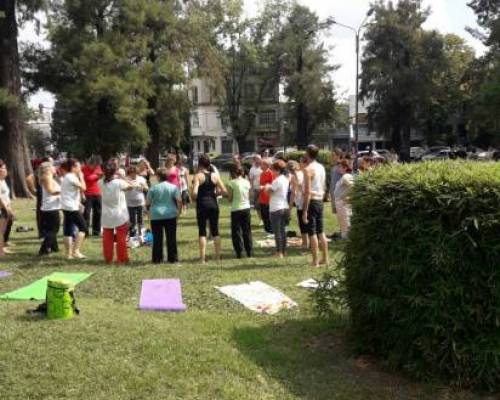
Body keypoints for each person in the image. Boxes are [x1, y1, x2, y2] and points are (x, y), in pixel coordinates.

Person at [192, 154, 227, 264]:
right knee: (215, 230)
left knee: (202, 231)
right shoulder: (215, 176)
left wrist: (193, 196)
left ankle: (202, 259)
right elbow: (224, 191)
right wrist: (216, 194)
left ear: (200, 164)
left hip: (202, 205)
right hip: (213, 204)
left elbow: (194, 192)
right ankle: (217, 256)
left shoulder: (198, 176)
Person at [99, 162, 136, 264]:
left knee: (107, 239)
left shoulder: (100, 182)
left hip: (106, 215)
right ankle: (122, 259)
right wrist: (123, 177)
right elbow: (132, 185)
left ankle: (108, 258)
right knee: (121, 239)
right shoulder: (119, 182)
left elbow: (104, 179)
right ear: (115, 171)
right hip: (119, 214)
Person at [147, 167, 182, 264]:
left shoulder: (153, 188)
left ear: (158, 177)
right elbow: (179, 200)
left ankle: (157, 259)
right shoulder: (173, 187)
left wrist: (149, 212)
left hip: (156, 215)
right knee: (171, 238)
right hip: (170, 215)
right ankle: (173, 259)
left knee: (157, 238)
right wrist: (178, 212)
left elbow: (147, 202)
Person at [302, 145, 329, 267]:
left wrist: (305, 210)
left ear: (307, 154)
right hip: (319, 201)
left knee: (312, 233)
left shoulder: (308, 169)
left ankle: (315, 261)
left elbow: (307, 192)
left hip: (312, 201)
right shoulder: (321, 167)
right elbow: (323, 186)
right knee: (321, 231)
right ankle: (325, 259)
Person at [60, 158, 87, 260]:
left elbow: (71, 192)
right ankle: (76, 251)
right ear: (73, 168)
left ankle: (69, 254)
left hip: (67, 206)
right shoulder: (71, 177)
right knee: (83, 227)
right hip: (71, 207)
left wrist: (79, 203)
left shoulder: (67, 177)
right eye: (78, 166)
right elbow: (83, 187)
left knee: (68, 230)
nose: (80, 168)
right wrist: (81, 177)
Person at [264, 160, 290, 258]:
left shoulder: (277, 180)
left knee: (277, 231)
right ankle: (284, 251)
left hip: (276, 208)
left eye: (273, 170)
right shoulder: (285, 179)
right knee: (283, 231)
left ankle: (279, 252)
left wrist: (266, 187)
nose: (272, 172)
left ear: (278, 170)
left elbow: (269, 192)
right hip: (284, 206)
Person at [226, 164, 252, 259]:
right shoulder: (247, 182)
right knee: (247, 230)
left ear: (232, 173)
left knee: (236, 232)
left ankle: (239, 252)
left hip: (236, 209)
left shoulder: (231, 183)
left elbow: (230, 198)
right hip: (246, 208)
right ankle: (249, 251)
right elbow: (249, 196)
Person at [38, 162, 61, 256]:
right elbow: (50, 191)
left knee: (51, 229)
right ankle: (43, 249)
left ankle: (54, 247)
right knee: (53, 230)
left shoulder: (51, 177)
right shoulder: (47, 177)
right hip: (50, 208)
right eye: (53, 166)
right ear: (48, 169)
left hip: (51, 206)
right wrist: (63, 192)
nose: (55, 168)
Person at [288, 159, 308, 250]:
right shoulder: (303, 173)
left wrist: (290, 207)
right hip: (308, 200)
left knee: (302, 223)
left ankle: (305, 243)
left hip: (300, 202)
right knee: (308, 221)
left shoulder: (293, 177)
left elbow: (293, 193)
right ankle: (310, 241)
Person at [125, 165, 148, 238]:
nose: (133, 174)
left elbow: (147, 189)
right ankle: (132, 235)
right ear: (129, 173)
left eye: (134, 172)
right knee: (132, 220)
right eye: (131, 173)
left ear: (137, 172)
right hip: (130, 203)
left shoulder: (141, 179)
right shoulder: (126, 179)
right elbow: (122, 189)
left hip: (140, 202)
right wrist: (128, 188)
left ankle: (141, 234)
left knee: (140, 219)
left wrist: (142, 187)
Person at [82, 155, 103, 236]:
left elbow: (101, 175)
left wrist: (97, 175)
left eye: (97, 165)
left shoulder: (98, 168)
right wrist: (97, 176)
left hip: (97, 192)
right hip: (87, 193)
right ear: (91, 163)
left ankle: (96, 230)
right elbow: (88, 178)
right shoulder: (83, 169)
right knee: (86, 213)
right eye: (94, 165)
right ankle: (85, 231)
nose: (96, 167)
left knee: (98, 212)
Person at [334, 160, 355, 240]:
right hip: (340, 202)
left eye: (340, 167)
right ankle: (344, 237)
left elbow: (353, 187)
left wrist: (347, 197)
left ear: (345, 167)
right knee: (343, 220)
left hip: (343, 202)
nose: (338, 169)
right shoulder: (344, 176)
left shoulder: (346, 176)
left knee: (346, 220)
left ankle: (348, 237)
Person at [329, 149, 345, 239]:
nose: (332, 157)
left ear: (338, 155)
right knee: (338, 213)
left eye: (333, 155)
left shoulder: (341, 166)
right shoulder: (334, 166)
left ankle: (344, 232)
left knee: (342, 213)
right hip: (334, 194)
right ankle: (341, 231)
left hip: (340, 194)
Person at [0, 160, 14, 258]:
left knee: (3, 231)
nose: (5, 170)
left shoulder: (3, 180)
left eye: (5, 168)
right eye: (3, 168)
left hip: (5, 208)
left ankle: (2, 248)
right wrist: (6, 209)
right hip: (2, 209)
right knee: (1, 231)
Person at [258, 158, 274, 235]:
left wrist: (263, 187)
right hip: (262, 197)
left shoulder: (270, 173)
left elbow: (272, 185)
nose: (260, 165)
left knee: (268, 214)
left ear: (266, 165)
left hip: (268, 197)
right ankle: (266, 229)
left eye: (262, 164)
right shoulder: (261, 173)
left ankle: (270, 230)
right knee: (263, 214)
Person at [248, 155, 262, 222]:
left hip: (264, 189)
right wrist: (251, 189)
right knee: (257, 206)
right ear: (254, 160)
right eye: (258, 159)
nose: (260, 160)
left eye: (260, 158)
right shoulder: (252, 169)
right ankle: (261, 219)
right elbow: (251, 180)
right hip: (256, 189)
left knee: (264, 205)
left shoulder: (263, 167)